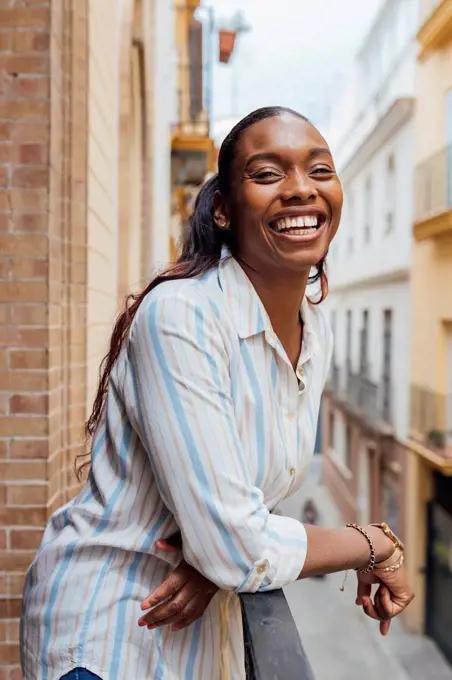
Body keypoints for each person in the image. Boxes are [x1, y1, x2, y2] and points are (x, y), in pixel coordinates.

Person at [20, 107, 414, 680]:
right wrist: (373, 542)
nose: (301, 189)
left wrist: (221, 552)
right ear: (225, 209)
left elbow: (241, 520)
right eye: (267, 173)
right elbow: (235, 543)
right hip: (109, 637)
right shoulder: (183, 316)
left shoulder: (315, 329)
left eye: (319, 169)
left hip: (198, 648)